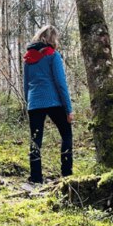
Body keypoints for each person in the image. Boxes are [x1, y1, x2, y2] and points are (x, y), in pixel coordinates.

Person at [23, 24, 74, 183]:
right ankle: (66, 174)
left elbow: (26, 85)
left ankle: (36, 178)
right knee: (66, 135)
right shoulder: (53, 55)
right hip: (54, 101)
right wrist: (68, 108)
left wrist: (29, 102)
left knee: (35, 140)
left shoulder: (28, 58)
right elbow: (60, 83)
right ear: (53, 39)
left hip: (34, 103)